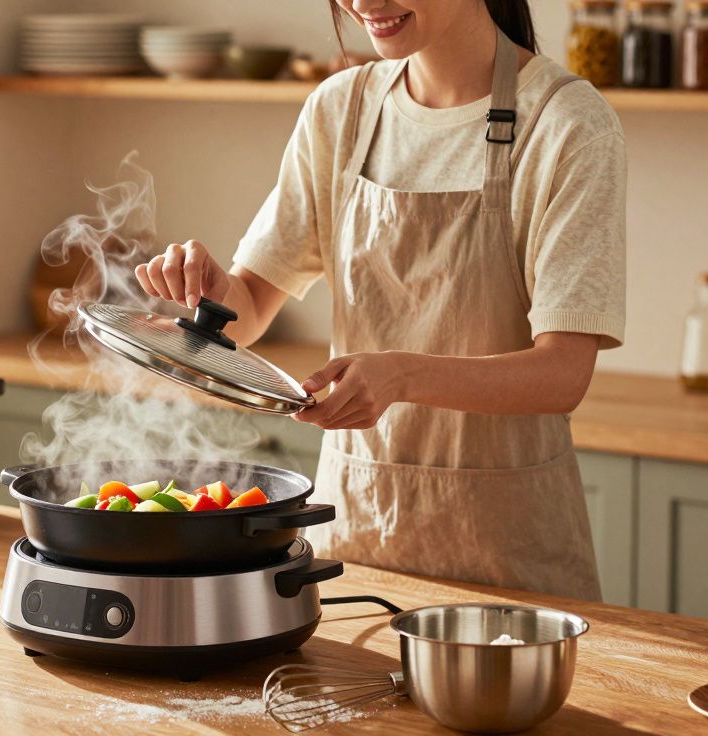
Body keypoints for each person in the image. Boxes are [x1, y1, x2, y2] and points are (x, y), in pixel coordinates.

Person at [134, 0, 625, 601]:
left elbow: (562, 374)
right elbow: (250, 310)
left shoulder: (566, 122)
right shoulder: (340, 109)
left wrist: (401, 375)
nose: (364, 3)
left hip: (509, 562)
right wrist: (213, 292)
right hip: (355, 541)